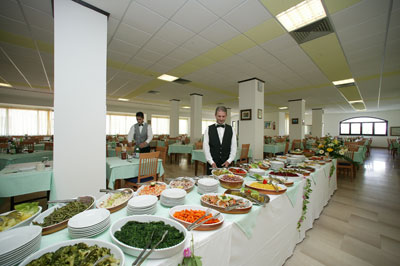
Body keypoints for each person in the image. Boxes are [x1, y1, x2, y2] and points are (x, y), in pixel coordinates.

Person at [203, 106, 237, 175]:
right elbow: (206, 147)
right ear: (215, 116)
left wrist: (229, 160)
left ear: (226, 116)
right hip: (212, 163)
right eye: (219, 116)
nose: (221, 119)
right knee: (211, 183)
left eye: (223, 116)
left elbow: (234, 146)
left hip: (226, 163)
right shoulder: (208, 129)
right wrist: (211, 161)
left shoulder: (231, 129)